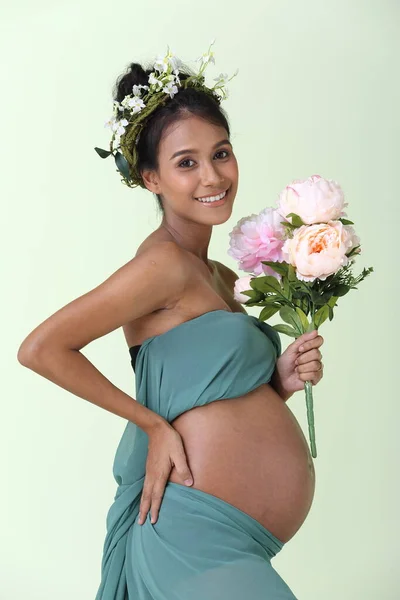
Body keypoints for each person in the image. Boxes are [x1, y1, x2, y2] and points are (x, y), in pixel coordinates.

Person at [17, 45, 324, 600]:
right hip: (187, 536)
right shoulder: (161, 265)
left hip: (232, 538)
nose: (212, 175)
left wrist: (277, 381)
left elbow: (206, 397)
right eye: (186, 162)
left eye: (221, 153)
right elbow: (41, 348)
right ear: (150, 178)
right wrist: (153, 427)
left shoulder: (223, 277)